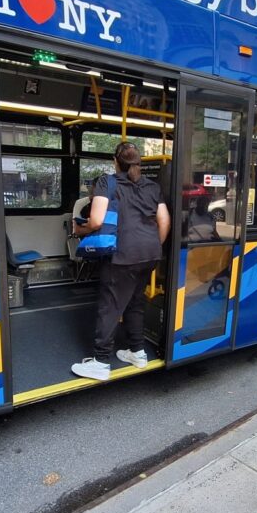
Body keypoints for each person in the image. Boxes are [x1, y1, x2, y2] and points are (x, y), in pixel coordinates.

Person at [70, 142, 171, 381]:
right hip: (150, 253)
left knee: (110, 306)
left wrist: (78, 229)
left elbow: (96, 221)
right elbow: (164, 221)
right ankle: (137, 352)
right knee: (135, 301)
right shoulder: (152, 186)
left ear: (115, 161)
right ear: (138, 162)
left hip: (122, 255)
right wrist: (151, 245)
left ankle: (100, 361)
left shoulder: (107, 182)